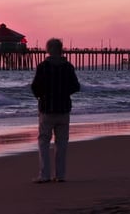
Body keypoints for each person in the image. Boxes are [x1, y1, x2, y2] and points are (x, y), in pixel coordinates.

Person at [31, 38, 80, 183]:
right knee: (62, 143)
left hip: (47, 108)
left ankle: (44, 174)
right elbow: (76, 86)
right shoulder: (68, 67)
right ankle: (60, 175)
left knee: (44, 141)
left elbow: (35, 87)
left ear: (48, 50)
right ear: (61, 49)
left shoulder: (43, 67)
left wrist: (40, 96)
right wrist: (65, 93)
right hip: (64, 109)